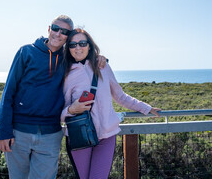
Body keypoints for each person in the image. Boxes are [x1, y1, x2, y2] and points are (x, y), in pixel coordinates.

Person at [0, 15, 107, 179]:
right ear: (49, 29)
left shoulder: (68, 59)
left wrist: (100, 58)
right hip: (19, 133)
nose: (58, 34)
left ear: (67, 37)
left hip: (51, 135)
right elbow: (8, 93)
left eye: (64, 32)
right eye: (56, 28)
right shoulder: (26, 52)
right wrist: (4, 132)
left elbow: (84, 57)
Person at [61, 28, 161, 179]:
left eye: (82, 43)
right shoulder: (65, 74)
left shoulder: (103, 66)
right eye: (73, 45)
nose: (78, 48)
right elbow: (58, 112)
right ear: (68, 49)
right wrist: (71, 109)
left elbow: (120, 96)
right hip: (80, 136)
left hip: (107, 136)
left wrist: (146, 108)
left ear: (89, 46)